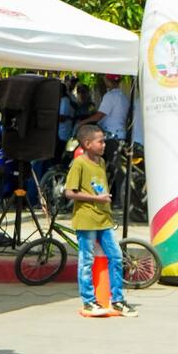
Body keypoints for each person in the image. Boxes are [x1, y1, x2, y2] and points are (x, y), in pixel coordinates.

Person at [64, 125, 136, 317]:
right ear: (87, 144)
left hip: (104, 220)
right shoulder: (79, 163)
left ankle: (118, 299)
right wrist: (97, 199)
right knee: (86, 260)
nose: (104, 144)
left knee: (116, 257)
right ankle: (89, 301)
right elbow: (69, 192)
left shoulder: (102, 163)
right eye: (100, 141)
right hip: (86, 220)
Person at [89, 74, 129, 172]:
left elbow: (99, 116)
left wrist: (83, 122)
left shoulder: (110, 96)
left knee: (113, 169)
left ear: (108, 80)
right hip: (121, 135)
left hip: (111, 137)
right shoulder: (124, 97)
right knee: (116, 169)